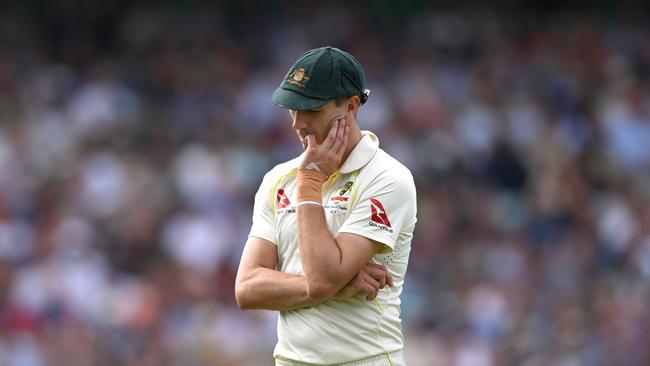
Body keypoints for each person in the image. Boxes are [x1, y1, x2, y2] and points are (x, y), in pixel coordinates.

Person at [235, 46, 417, 366]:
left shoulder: (388, 179)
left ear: (351, 105)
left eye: (311, 109)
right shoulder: (278, 179)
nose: (297, 123)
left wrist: (309, 182)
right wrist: (335, 286)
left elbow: (321, 279)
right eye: (292, 107)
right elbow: (247, 288)